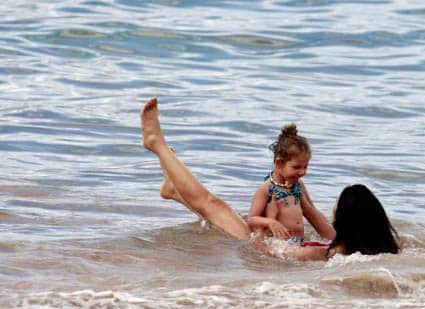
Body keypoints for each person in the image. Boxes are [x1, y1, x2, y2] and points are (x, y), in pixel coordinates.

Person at [140, 97, 400, 261]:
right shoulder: (359, 246)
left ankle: (157, 145)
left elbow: (268, 252)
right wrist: (306, 207)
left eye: (338, 203)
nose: (333, 205)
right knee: (216, 210)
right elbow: (318, 220)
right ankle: (173, 190)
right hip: (279, 236)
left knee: (213, 205)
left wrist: (260, 235)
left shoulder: (321, 252)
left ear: (346, 218)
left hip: (257, 244)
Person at [247, 123, 335, 244]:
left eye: (305, 167)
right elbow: (251, 219)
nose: (303, 172)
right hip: (281, 244)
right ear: (278, 163)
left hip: (299, 241)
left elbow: (312, 209)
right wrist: (271, 222)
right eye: (296, 167)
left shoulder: (298, 185)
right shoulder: (267, 189)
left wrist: (329, 227)